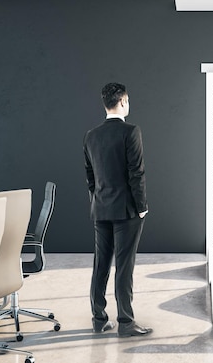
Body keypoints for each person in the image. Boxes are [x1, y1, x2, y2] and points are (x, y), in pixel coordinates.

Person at [84, 82, 152, 337]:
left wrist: (97, 199)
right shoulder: (131, 131)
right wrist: (142, 206)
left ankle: (98, 319)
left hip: (100, 209)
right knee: (124, 266)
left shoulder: (90, 135)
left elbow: (89, 177)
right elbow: (137, 173)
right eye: (128, 100)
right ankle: (125, 322)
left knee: (100, 264)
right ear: (122, 101)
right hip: (127, 211)